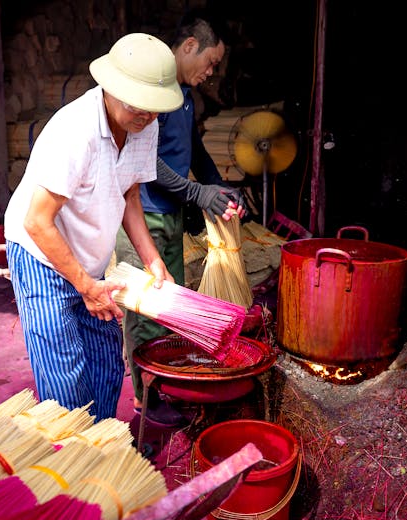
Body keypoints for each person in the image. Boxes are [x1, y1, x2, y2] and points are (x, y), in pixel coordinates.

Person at [3, 33, 183, 423]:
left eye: (154, 109)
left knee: (106, 365)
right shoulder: (74, 131)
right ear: (112, 88)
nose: (146, 116)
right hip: (40, 253)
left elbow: (129, 194)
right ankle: (70, 451)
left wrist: (153, 261)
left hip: (89, 259)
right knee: (65, 375)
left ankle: (101, 445)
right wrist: (85, 286)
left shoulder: (144, 126)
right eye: (138, 105)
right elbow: (37, 221)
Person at [114, 11, 246, 426]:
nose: (211, 72)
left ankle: (163, 387)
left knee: (168, 308)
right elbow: (147, 161)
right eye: (210, 62)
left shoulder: (185, 97)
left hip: (168, 215)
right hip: (143, 217)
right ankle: (146, 400)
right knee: (146, 314)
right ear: (189, 46)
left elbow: (195, 150)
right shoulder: (153, 93)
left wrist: (217, 187)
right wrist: (197, 193)